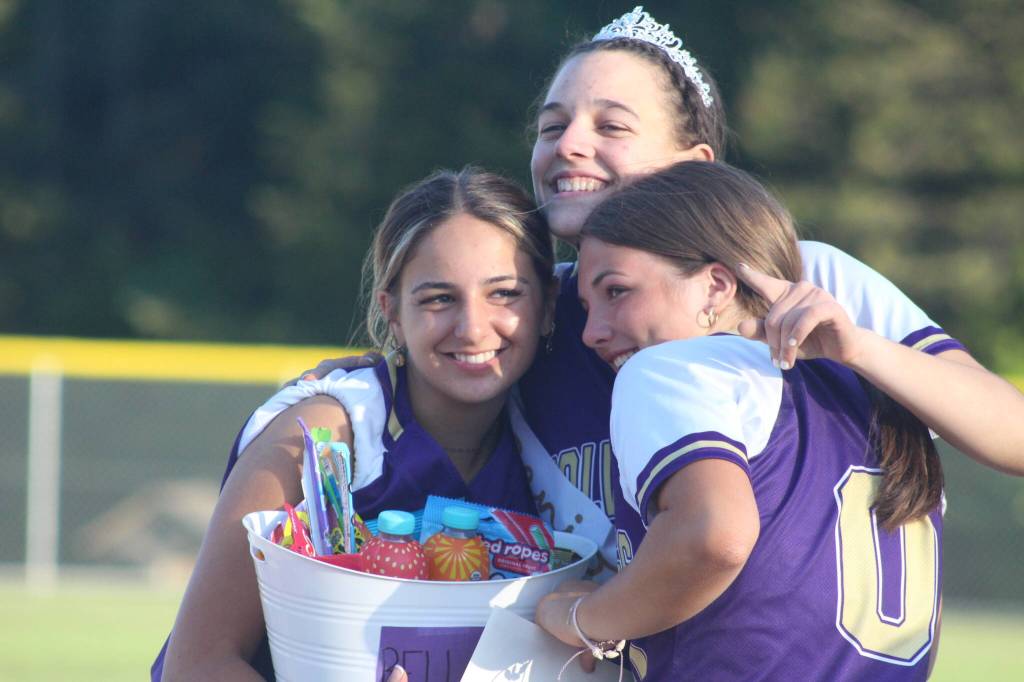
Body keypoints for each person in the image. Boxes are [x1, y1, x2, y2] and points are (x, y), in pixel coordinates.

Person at [303, 6, 1023, 577]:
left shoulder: (806, 280)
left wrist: (860, 349)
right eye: (553, 126)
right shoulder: (529, 317)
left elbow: (1013, 435)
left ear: (694, 164)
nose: (570, 144)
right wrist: (372, 382)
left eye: (610, 125)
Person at [534, 160, 1024, 680]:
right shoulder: (884, 388)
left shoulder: (668, 368)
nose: (591, 332)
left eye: (616, 291)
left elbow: (714, 536)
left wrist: (581, 617)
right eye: (587, 304)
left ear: (715, 286)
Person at [155, 167, 568, 680]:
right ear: (392, 312)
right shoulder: (323, 435)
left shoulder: (555, 432)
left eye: (504, 293)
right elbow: (196, 666)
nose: (472, 327)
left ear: (548, 303)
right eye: (439, 298)